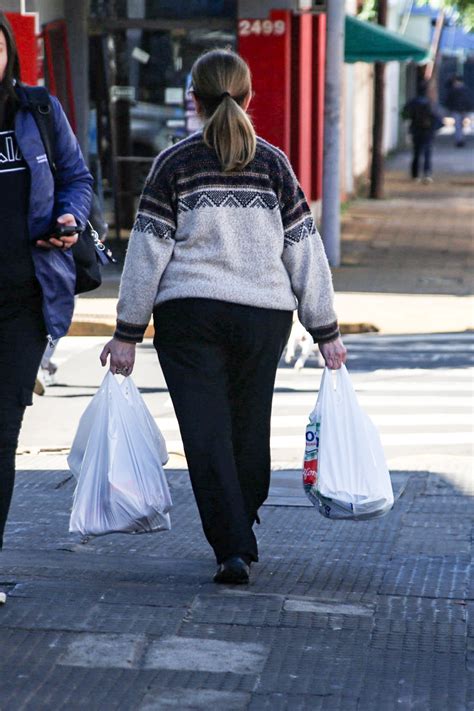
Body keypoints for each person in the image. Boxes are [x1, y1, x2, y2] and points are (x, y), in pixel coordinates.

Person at [100, 49, 346, 585]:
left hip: (189, 315)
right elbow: (304, 250)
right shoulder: (274, 164)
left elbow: (146, 254)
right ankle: (241, 522)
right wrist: (323, 327)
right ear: (248, 97)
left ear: (195, 100)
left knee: (206, 433)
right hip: (263, 317)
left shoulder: (174, 164)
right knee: (249, 426)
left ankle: (231, 547)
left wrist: (127, 332)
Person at [0, 13, 93, 550]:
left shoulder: (37, 109)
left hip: (23, 301)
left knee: (1, 436)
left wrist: (69, 219)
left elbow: (77, 178)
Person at [402, 81, 443, 183]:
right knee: (427, 153)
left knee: (416, 153)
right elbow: (438, 119)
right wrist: (434, 129)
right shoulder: (431, 103)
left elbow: (404, 115)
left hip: (416, 130)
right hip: (428, 132)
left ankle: (415, 175)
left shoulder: (412, 102)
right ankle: (427, 173)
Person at [445, 75, 471, 147]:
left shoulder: (453, 89)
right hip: (463, 109)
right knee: (461, 126)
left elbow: (449, 100)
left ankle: (459, 140)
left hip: (456, 110)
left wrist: (449, 108)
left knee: (458, 126)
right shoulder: (465, 89)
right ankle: (460, 139)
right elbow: (468, 100)